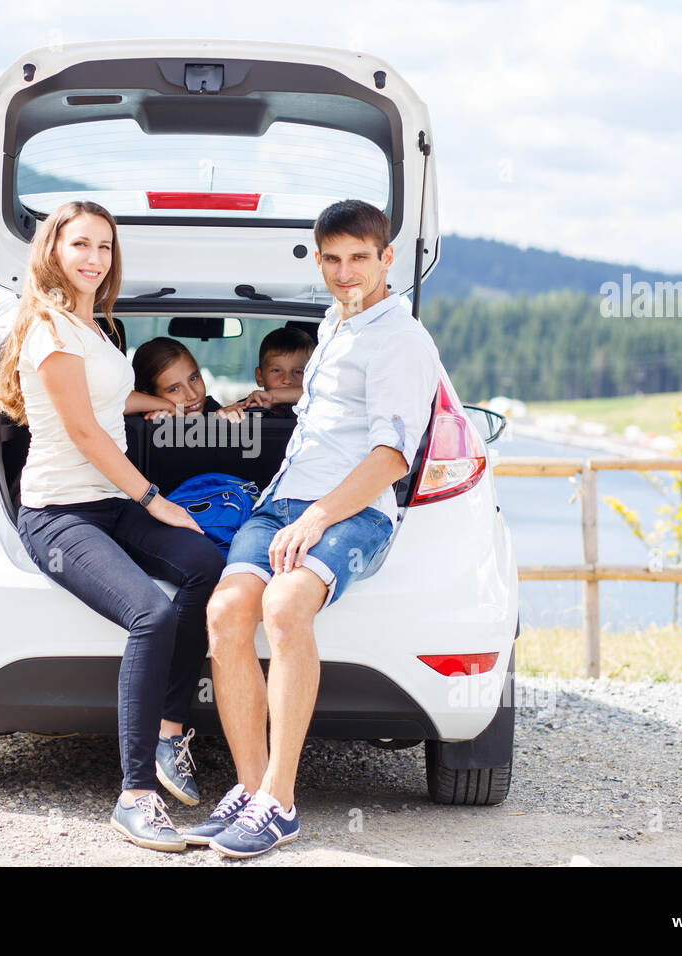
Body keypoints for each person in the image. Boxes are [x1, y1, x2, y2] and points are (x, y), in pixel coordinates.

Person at [187, 199, 444, 858]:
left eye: (359, 258)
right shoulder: (333, 323)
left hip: (351, 511)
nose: (344, 271)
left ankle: (282, 799)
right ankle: (251, 796)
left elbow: (391, 456)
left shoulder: (401, 339)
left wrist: (318, 516)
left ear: (388, 259)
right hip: (280, 501)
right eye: (331, 258)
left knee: (284, 603)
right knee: (224, 613)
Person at [0, 200, 226, 852]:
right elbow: (85, 429)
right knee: (151, 613)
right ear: (54, 251)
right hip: (60, 513)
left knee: (208, 564)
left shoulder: (93, 326)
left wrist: (169, 403)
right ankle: (133, 796)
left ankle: (171, 732)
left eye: (105, 246)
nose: (95, 258)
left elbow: (110, 398)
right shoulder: (47, 329)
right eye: (82, 245)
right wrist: (154, 497)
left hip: (108, 503)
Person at [131, 337, 244, 422]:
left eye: (193, 378)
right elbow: (116, 400)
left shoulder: (213, 410)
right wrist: (166, 406)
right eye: (175, 389)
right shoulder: (132, 425)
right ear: (149, 396)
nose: (193, 395)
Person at [228, 326, 316, 418]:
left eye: (298, 372)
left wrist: (272, 396)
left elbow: (317, 392)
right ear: (259, 376)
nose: (287, 380)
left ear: (313, 376)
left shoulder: (318, 408)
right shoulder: (245, 410)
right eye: (276, 370)